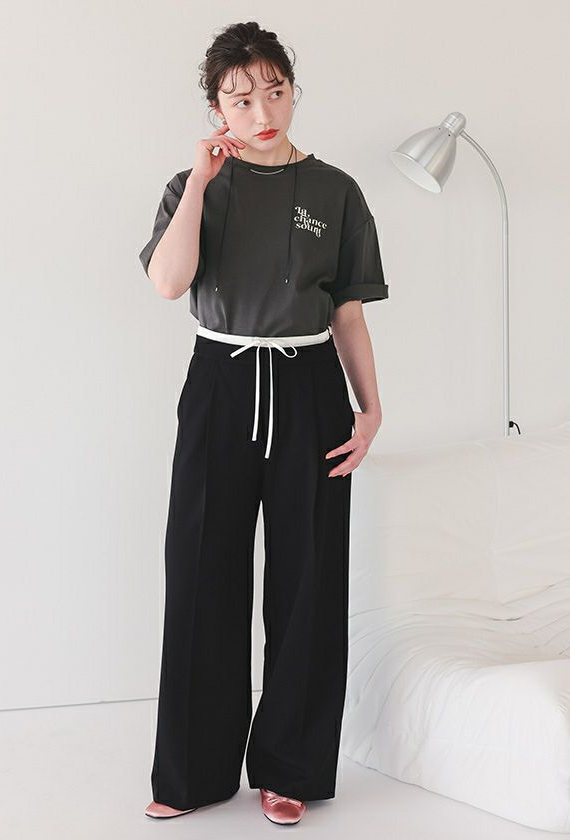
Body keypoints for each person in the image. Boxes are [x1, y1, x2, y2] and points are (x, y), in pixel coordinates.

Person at [139, 21, 389, 826]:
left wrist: (370, 407)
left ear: (292, 90)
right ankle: (191, 773)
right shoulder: (194, 186)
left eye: (275, 92)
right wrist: (202, 183)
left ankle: (290, 768)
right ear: (217, 108)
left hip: (309, 384)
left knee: (308, 578)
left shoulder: (336, 191)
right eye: (241, 99)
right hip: (221, 380)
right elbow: (169, 283)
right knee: (201, 572)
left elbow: (347, 313)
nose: (262, 112)